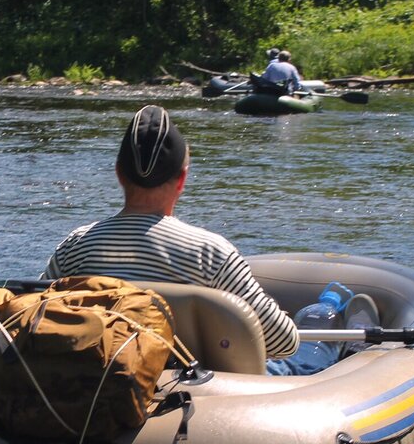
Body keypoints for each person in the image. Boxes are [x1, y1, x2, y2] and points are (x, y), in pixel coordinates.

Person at [42, 104, 300, 360]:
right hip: (198, 390)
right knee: (323, 322)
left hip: (98, 384)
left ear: (119, 173)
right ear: (182, 180)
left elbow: (33, 316)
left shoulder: (75, 248)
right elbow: (284, 343)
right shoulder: (211, 254)